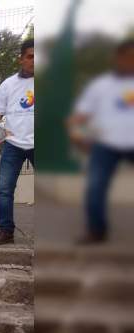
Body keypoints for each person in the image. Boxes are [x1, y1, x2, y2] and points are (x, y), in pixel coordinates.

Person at [68, 38, 134, 244]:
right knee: (95, 187)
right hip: (105, 144)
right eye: (127, 58)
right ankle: (96, 231)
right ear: (118, 58)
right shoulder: (101, 85)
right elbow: (78, 117)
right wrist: (78, 137)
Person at [0, 38, 35, 245]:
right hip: (13, 144)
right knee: (4, 189)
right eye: (30, 56)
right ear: (21, 59)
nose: (35, 60)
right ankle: (6, 231)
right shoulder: (8, 84)